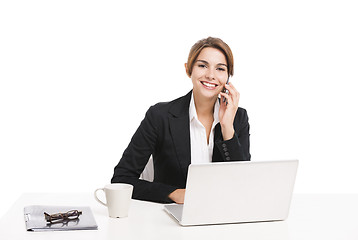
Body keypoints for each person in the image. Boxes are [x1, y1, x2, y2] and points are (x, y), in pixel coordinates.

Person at [111, 37, 250, 204]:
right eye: (202, 65)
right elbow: (122, 179)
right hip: (170, 221)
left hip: (222, 217)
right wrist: (174, 194)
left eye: (220, 69)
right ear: (188, 69)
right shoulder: (160, 116)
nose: (211, 75)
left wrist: (227, 127)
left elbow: (243, 184)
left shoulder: (238, 118)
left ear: (228, 77)